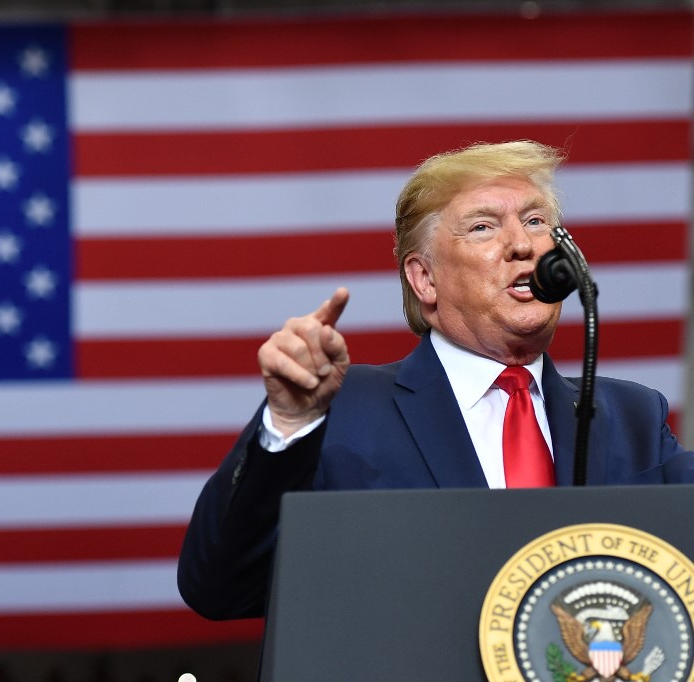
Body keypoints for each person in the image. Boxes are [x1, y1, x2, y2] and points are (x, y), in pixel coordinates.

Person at [176, 140, 694, 621]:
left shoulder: (632, 417)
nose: (522, 244)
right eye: (484, 227)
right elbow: (220, 588)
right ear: (424, 278)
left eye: (536, 221)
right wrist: (289, 423)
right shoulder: (343, 410)